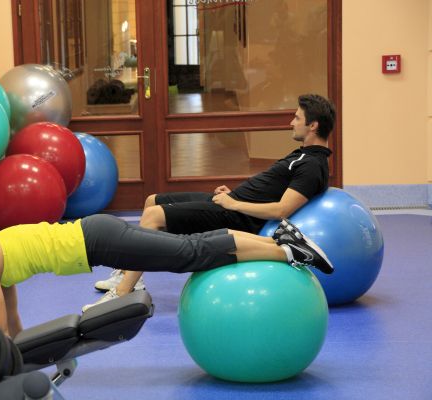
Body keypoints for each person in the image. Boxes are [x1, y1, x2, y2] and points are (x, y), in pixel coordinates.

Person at [86, 94, 336, 310]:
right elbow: (269, 189)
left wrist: (233, 204)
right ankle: (130, 273)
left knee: (153, 217)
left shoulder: (312, 165)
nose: (291, 122)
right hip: (230, 203)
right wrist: (233, 195)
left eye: (297, 118)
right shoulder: (304, 155)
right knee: (152, 201)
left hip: (237, 217)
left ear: (313, 125)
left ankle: (123, 292)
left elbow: (281, 209)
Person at [0, 214, 332, 338]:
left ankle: (286, 251)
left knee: (188, 253)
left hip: (98, 242)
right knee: (190, 247)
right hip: (97, 236)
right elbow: (13, 324)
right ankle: (280, 243)